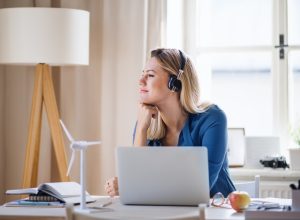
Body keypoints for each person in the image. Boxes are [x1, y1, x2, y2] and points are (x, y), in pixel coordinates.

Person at [104, 48, 235, 198]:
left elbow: (200, 189)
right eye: (142, 75)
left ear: (175, 84)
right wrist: (141, 129)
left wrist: (131, 185)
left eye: (150, 75)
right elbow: (135, 187)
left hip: (214, 213)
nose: (140, 81)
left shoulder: (213, 119)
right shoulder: (145, 123)